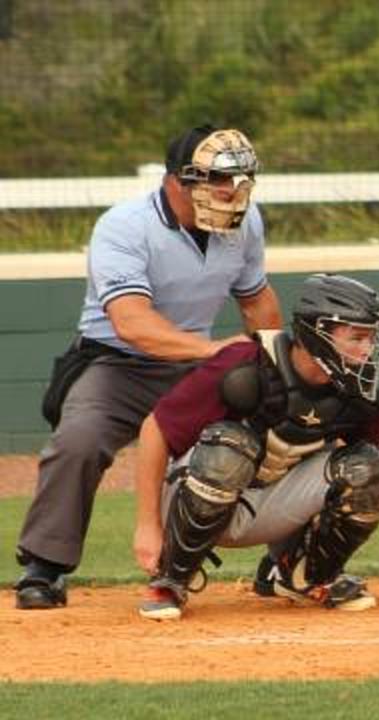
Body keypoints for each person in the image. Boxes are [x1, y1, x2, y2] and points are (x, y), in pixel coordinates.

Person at [13, 124, 282, 610]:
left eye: (240, 179)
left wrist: (274, 360)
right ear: (178, 180)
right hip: (116, 362)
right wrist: (214, 353)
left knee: (275, 428)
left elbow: (256, 298)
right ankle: (44, 567)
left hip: (194, 364)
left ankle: (288, 561)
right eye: (219, 179)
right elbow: (132, 323)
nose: (233, 190)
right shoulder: (124, 226)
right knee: (79, 441)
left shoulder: (245, 222)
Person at [132, 273, 379, 621]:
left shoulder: (355, 392)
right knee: (231, 446)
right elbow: (155, 429)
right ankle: (171, 577)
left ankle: (302, 573)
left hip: (271, 506)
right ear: (317, 332)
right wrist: (148, 525)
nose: (367, 350)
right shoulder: (247, 363)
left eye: (371, 338)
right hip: (194, 492)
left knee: (367, 466)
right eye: (357, 337)